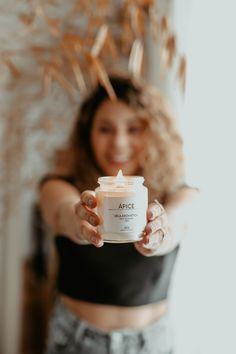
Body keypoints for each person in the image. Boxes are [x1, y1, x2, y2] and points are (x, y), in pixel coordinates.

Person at [39, 74, 198, 354]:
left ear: (153, 133)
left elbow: (176, 223)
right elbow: (63, 213)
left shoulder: (178, 193)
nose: (119, 143)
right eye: (105, 129)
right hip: (76, 340)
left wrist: (159, 234)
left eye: (133, 129)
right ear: (87, 134)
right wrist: (80, 222)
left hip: (152, 344)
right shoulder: (60, 186)